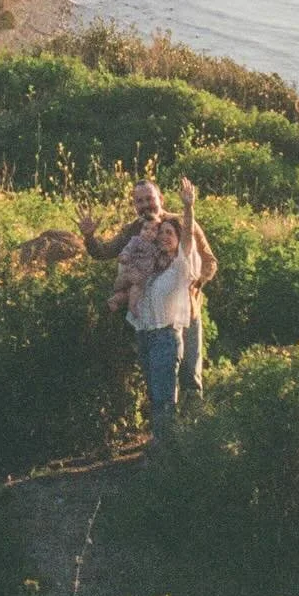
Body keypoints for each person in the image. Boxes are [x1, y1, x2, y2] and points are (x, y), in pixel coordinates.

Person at [79, 177, 218, 406]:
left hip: (186, 312)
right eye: (139, 201)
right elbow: (104, 252)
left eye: (149, 199)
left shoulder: (181, 223)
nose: (145, 205)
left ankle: (194, 434)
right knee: (160, 381)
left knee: (190, 376)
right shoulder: (134, 230)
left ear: (160, 198)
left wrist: (195, 283)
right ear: (134, 205)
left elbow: (209, 261)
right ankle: (168, 433)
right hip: (152, 318)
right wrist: (89, 237)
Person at [119, 178, 200, 439]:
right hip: (144, 335)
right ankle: (165, 447)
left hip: (166, 335)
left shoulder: (180, 263)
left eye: (170, 233)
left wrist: (188, 207)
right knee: (155, 395)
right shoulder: (153, 262)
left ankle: (166, 452)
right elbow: (123, 275)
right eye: (160, 232)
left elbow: (188, 235)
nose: (164, 236)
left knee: (166, 397)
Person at [106, 219, 161, 313]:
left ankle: (115, 300)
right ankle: (132, 307)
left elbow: (158, 258)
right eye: (145, 228)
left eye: (153, 230)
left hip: (143, 275)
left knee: (132, 292)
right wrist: (125, 256)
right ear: (140, 231)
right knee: (136, 287)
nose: (148, 232)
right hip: (133, 269)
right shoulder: (136, 240)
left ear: (157, 234)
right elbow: (128, 249)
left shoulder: (155, 247)